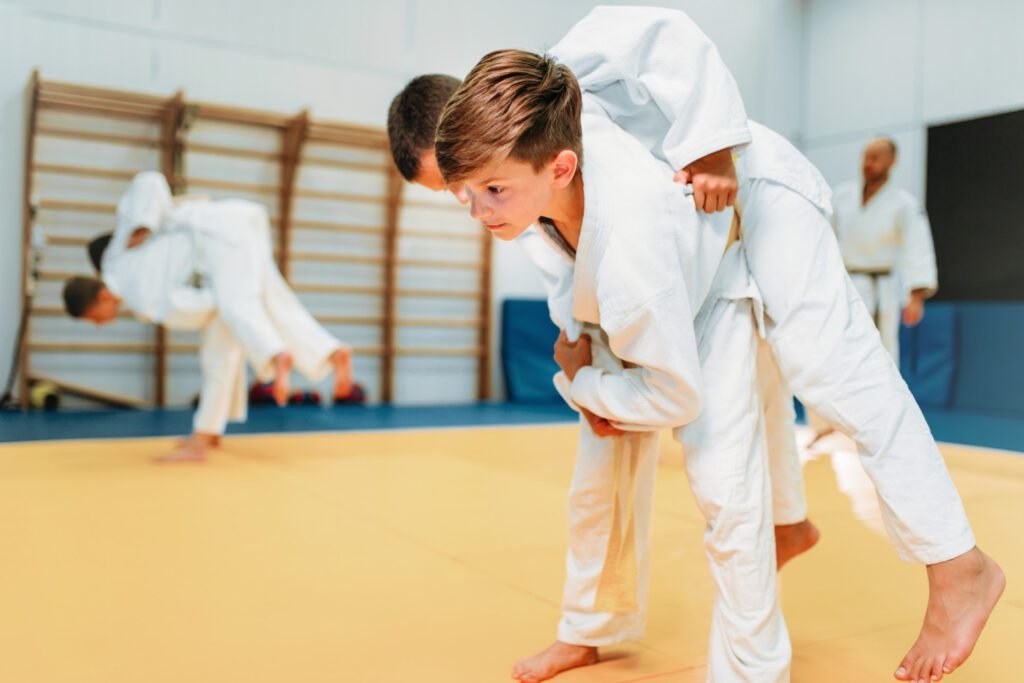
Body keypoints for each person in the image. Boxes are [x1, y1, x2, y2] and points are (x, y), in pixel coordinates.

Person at [436, 49, 790, 682]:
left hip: (713, 296)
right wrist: (582, 351)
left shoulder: (632, 255)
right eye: (468, 192)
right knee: (595, 489)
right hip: (615, 310)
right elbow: (565, 267)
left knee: (727, 495)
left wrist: (586, 386)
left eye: (493, 191)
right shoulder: (554, 139)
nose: (479, 210)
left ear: (560, 169)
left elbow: (677, 398)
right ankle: (588, 631)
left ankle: (756, 672)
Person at [63, 172, 353, 461]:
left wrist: (144, 225)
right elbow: (149, 183)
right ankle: (330, 351)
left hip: (219, 236)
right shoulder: (120, 257)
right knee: (272, 302)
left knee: (234, 310)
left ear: (102, 296)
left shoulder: (135, 287)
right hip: (234, 224)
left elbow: (205, 308)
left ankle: (275, 355)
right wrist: (144, 224)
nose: (99, 324)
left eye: (94, 318)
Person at [832, 137, 937, 360]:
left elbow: (918, 246)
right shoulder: (841, 196)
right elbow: (824, 237)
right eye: (866, 157)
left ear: (892, 161)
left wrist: (916, 296)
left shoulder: (904, 203)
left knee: (881, 352)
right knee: (841, 350)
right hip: (844, 284)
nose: (868, 163)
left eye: (875, 158)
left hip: (882, 288)